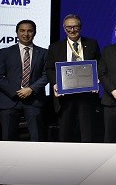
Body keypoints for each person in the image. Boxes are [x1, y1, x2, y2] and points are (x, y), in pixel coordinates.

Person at [45, 14, 102, 142]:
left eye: (75, 27)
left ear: (80, 28)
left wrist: (96, 80)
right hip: (64, 97)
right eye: (69, 27)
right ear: (64, 28)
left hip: (86, 96)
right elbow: (49, 69)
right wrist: (55, 83)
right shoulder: (55, 47)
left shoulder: (92, 44)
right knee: (65, 133)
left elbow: (99, 65)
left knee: (87, 133)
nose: (72, 30)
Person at [0, 19, 48, 141]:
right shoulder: (5, 52)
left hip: (34, 100)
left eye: (29, 31)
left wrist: (31, 89)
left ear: (34, 33)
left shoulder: (44, 53)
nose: (26, 34)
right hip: (9, 100)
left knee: (38, 138)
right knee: (8, 138)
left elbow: (46, 75)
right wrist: (18, 91)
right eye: (22, 31)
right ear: (17, 32)